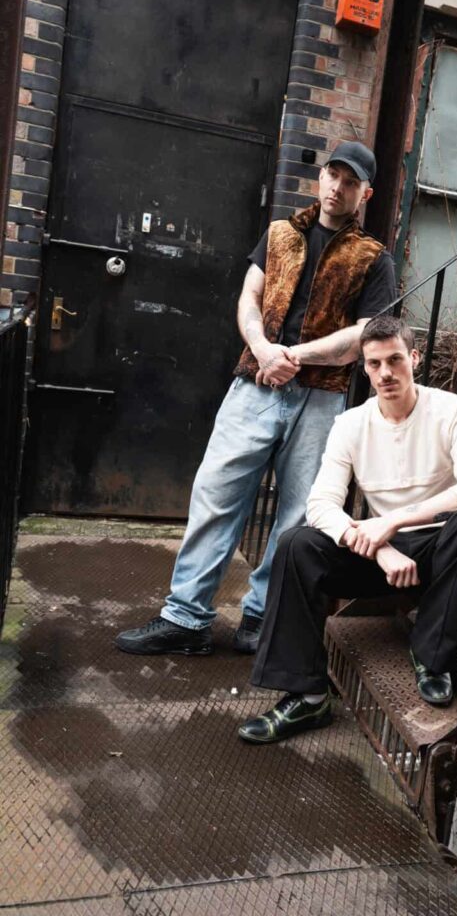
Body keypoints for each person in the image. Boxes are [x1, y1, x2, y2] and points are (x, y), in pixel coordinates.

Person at [115, 142, 396, 657]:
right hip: (254, 384)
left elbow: (364, 337)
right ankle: (186, 618)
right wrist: (264, 350)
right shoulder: (280, 236)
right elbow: (248, 297)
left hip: (320, 398)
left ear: (365, 193)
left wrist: (294, 354)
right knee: (215, 492)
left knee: (298, 515)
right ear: (321, 178)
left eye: (350, 181)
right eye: (332, 174)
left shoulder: (373, 259)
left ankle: (262, 619)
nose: (337, 186)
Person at [238, 315, 457, 744]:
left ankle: (433, 658)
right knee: (296, 544)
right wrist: (380, 547)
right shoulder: (351, 424)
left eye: (395, 360)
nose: (385, 373)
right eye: (374, 363)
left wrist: (392, 520)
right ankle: (307, 695)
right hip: (381, 554)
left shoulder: (451, 408)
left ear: (413, 358)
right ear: (364, 366)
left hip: (441, 546)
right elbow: (320, 504)